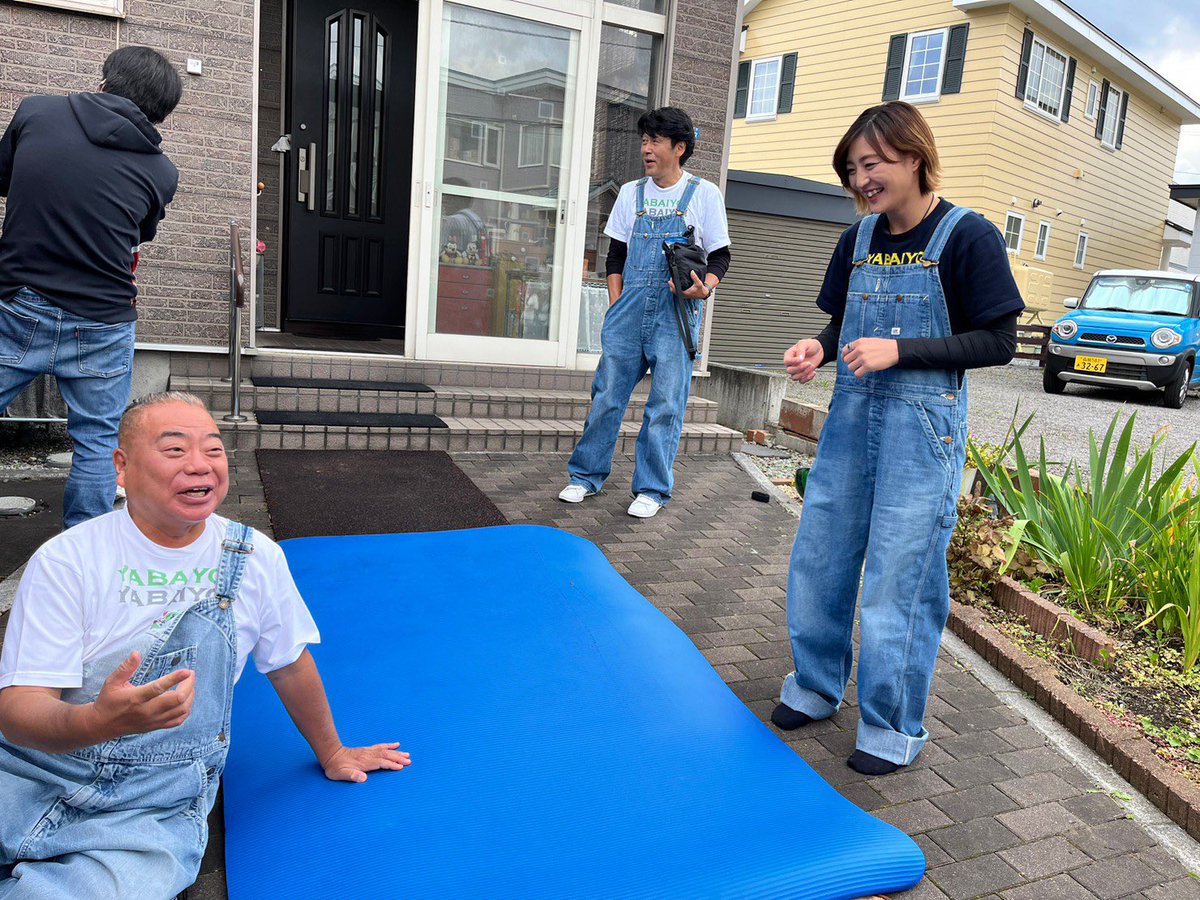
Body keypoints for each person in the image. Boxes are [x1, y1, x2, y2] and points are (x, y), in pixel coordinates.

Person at [0, 392, 411, 898]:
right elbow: (19, 709)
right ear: (122, 468)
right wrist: (94, 721)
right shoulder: (68, 560)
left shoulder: (254, 556)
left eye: (213, 450)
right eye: (174, 450)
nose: (200, 464)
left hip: (151, 806)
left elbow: (289, 663)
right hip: (28, 771)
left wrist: (332, 751)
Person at [771, 102, 1024, 775]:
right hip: (851, 422)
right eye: (853, 168)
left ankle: (891, 729)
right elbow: (840, 330)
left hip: (923, 431)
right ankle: (816, 687)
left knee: (898, 579)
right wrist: (816, 350)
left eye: (873, 163)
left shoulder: (968, 236)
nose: (862, 179)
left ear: (913, 155)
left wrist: (901, 350)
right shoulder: (856, 239)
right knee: (821, 556)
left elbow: (1000, 342)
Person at [0, 46, 182, 528]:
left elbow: (6, 177)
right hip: (103, 320)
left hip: (20, 305)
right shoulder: (161, 172)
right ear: (160, 115)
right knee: (98, 446)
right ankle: (83, 560)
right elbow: (139, 232)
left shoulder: (38, 112)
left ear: (105, 81)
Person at [559, 107, 731, 519]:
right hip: (629, 311)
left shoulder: (703, 194)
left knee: (666, 404)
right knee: (606, 397)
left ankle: (652, 488)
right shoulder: (631, 194)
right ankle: (585, 476)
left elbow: (720, 256)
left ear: (680, 148)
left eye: (654, 141)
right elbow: (615, 255)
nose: (646, 149)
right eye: (644, 141)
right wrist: (617, 305)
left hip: (676, 312)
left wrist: (704, 288)